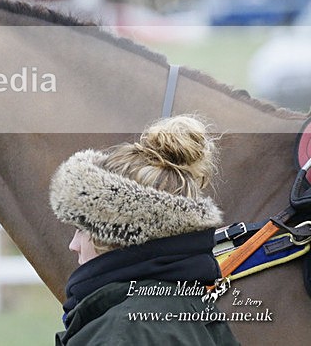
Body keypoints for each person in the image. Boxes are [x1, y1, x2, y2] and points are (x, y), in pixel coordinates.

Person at [49, 115, 240, 345]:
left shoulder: (119, 334)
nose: (74, 245)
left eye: (82, 228)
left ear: (116, 236)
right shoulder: (200, 315)